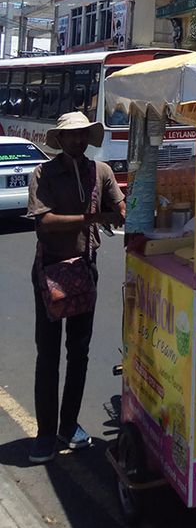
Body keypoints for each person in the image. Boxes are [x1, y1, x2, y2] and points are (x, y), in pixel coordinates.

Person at [26, 112, 125, 464]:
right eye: (71, 136)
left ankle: (68, 425)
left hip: (85, 270)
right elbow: (44, 224)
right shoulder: (45, 173)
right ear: (60, 139)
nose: (77, 141)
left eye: (82, 135)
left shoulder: (101, 172)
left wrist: (131, 207)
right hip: (50, 271)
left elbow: (120, 207)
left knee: (79, 354)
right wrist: (93, 218)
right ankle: (44, 434)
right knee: (48, 356)